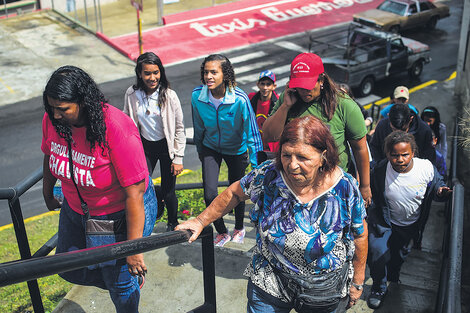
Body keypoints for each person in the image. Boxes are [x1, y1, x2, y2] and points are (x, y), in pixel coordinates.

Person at [177, 116, 368, 313]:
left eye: (302, 157)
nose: (292, 165)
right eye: (286, 155)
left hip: (323, 287)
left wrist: (357, 282)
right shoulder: (268, 174)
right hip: (270, 277)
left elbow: (360, 234)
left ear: (323, 156)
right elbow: (235, 192)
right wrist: (200, 221)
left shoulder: (345, 186)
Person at [42, 66, 157, 313]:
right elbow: (50, 153)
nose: (56, 115)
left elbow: (134, 193)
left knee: (119, 283)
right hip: (75, 208)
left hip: (117, 213)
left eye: (63, 109)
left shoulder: (116, 127)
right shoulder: (53, 120)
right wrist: (47, 191)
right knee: (67, 267)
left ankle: (125, 283)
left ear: (83, 102)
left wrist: (133, 249)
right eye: (51, 108)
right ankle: (124, 280)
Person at [263, 52, 372, 206]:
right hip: (296, 184)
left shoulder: (344, 105)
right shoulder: (289, 99)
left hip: (333, 186)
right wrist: (286, 106)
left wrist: (365, 186)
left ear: (321, 80)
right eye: (299, 87)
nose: (304, 91)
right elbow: (268, 136)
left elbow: (360, 148)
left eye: (308, 86)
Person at [367, 131, 452, 309]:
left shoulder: (426, 168)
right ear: (388, 154)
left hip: (409, 225)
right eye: (394, 155)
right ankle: (378, 288)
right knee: (377, 253)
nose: (400, 159)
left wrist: (441, 191)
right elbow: (371, 193)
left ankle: (392, 277)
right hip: (384, 223)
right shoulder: (380, 170)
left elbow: (437, 183)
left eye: (405, 154)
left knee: (398, 258)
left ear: (413, 152)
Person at [191, 54, 263, 247]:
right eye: (206, 72)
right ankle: (221, 231)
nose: (209, 76)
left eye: (214, 72)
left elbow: (252, 134)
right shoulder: (197, 96)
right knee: (209, 194)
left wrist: (257, 167)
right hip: (210, 148)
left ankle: (239, 227)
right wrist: (200, 150)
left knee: (237, 192)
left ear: (226, 74)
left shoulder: (239, 99)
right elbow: (198, 127)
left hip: (236, 150)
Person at [123, 52, 186, 232]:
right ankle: (145, 223)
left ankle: (173, 223)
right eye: (147, 73)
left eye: (156, 73)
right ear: (140, 74)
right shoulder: (132, 94)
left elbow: (180, 128)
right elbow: (127, 121)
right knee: (141, 187)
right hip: (145, 148)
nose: (152, 78)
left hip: (166, 149)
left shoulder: (169, 95)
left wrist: (178, 158)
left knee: (168, 191)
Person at [370, 103, 436, 166]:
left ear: (410, 119)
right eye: (394, 130)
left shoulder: (424, 130)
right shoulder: (382, 125)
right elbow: (374, 147)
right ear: (388, 116)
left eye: (403, 130)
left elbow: (429, 156)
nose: (398, 135)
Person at [248, 69, 279, 163]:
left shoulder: (278, 102)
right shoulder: (251, 98)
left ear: (274, 86)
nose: (265, 87)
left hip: (271, 146)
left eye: (268, 84)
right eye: (262, 84)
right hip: (256, 144)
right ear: (258, 85)